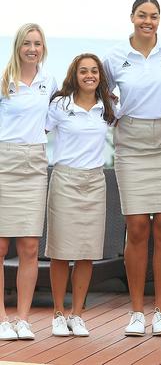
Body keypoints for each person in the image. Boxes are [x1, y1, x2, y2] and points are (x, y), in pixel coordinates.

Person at [103, 0, 161, 336]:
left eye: (153, 16)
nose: (148, 21)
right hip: (132, 143)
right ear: (132, 18)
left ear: (159, 20)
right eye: (142, 15)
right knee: (137, 227)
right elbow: (98, 91)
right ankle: (137, 311)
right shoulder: (114, 56)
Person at [45, 53, 116, 337]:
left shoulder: (107, 107)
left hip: (95, 181)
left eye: (94, 71)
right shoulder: (60, 105)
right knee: (61, 252)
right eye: (83, 71)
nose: (89, 75)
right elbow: (37, 131)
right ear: (74, 75)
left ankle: (77, 314)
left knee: (86, 253)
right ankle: (58, 314)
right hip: (64, 179)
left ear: (100, 76)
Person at [0, 23, 57, 341]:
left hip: (35, 162)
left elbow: (55, 119)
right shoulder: (3, 80)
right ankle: (2, 319)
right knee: (0, 245)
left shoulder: (49, 82)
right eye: (27, 43)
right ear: (18, 46)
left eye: (37, 43)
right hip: (3, 161)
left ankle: (22, 319)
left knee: (30, 246)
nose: (32, 48)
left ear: (43, 47)